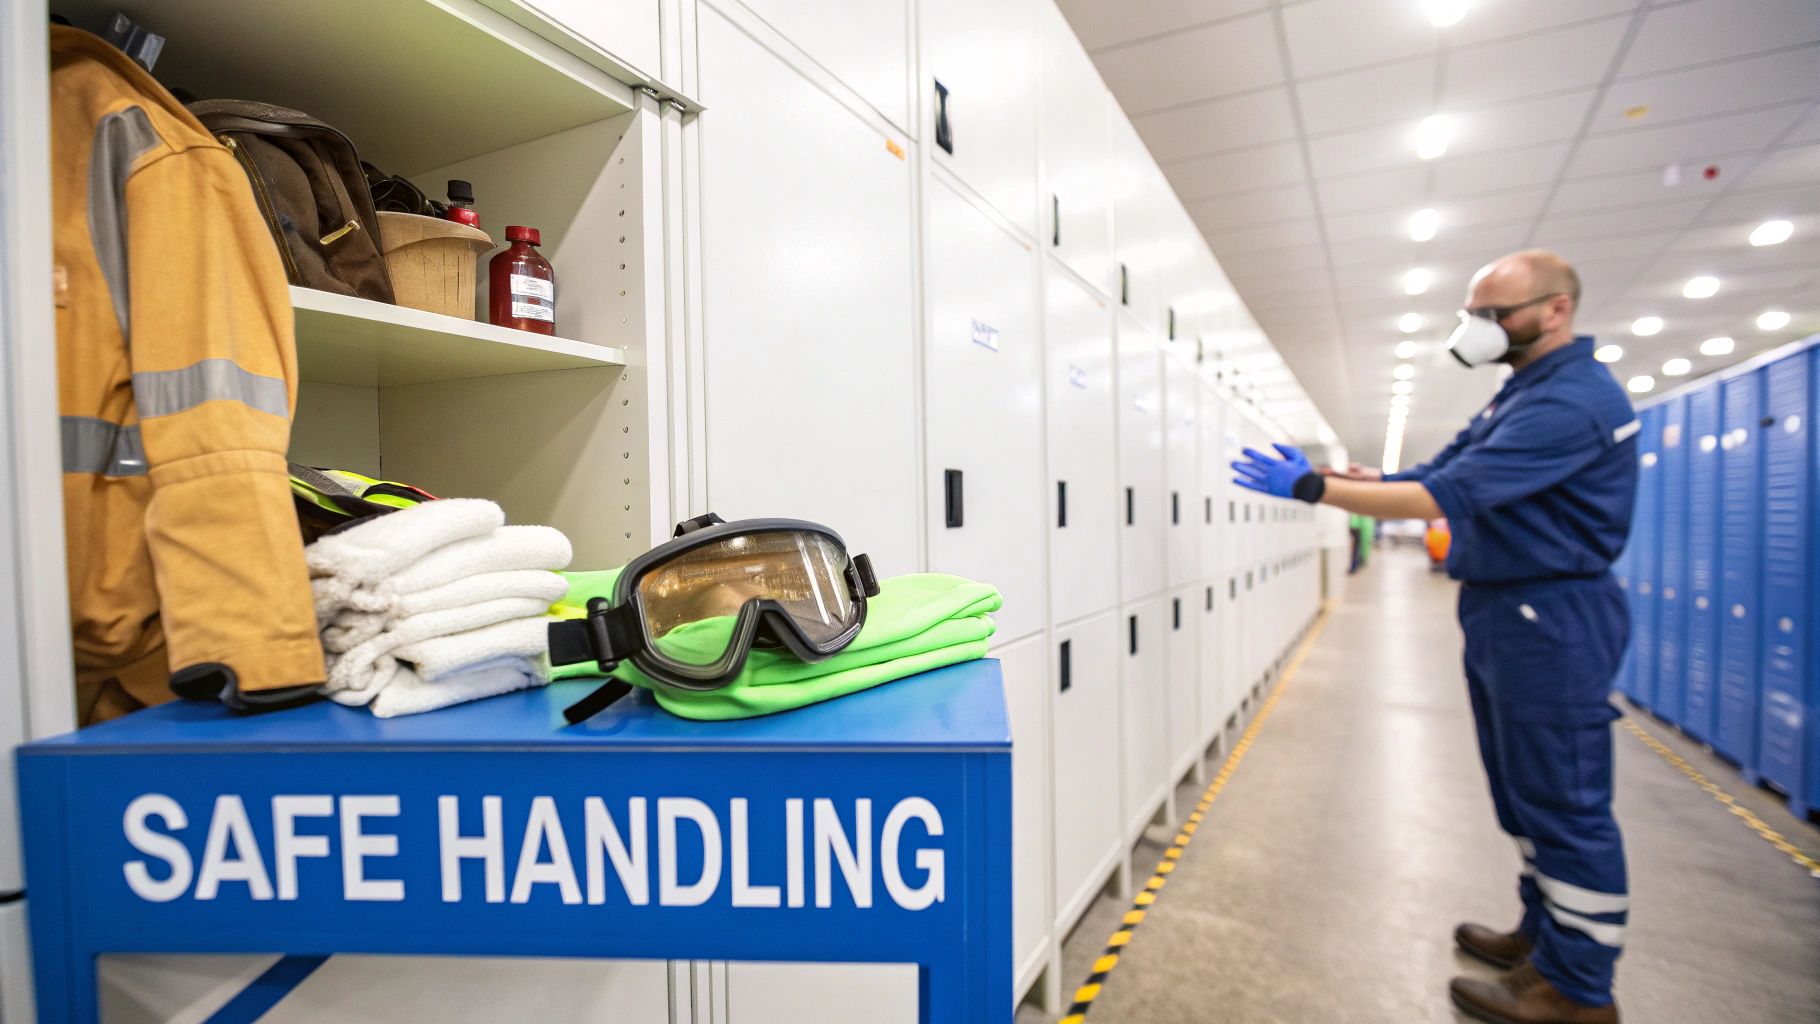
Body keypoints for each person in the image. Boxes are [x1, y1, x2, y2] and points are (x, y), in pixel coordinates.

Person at [1232, 250, 1638, 1024]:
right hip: (1506, 608)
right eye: (1475, 313)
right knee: (1522, 793)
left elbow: (1436, 497)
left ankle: (1580, 988)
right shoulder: (1521, 394)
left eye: (1495, 314)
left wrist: (1316, 489)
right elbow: (1435, 468)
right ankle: (1544, 937)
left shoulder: (1572, 401)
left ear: (1555, 310)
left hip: (1551, 614)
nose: (1479, 328)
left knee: (1565, 802)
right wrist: (1355, 473)